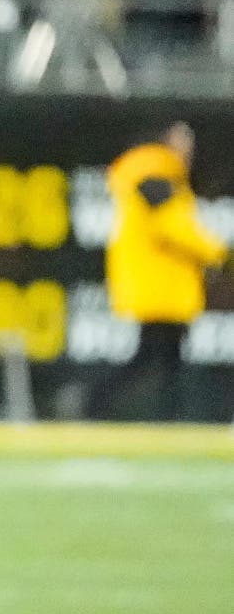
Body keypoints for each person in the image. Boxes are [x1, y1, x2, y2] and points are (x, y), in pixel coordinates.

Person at [102, 120, 228, 420]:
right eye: (183, 142)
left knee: (162, 360)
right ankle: (96, 405)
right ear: (166, 141)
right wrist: (217, 252)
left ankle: (162, 418)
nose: (189, 150)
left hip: (162, 286)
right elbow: (174, 226)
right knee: (153, 359)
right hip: (158, 286)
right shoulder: (153, 174)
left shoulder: (161, 175)